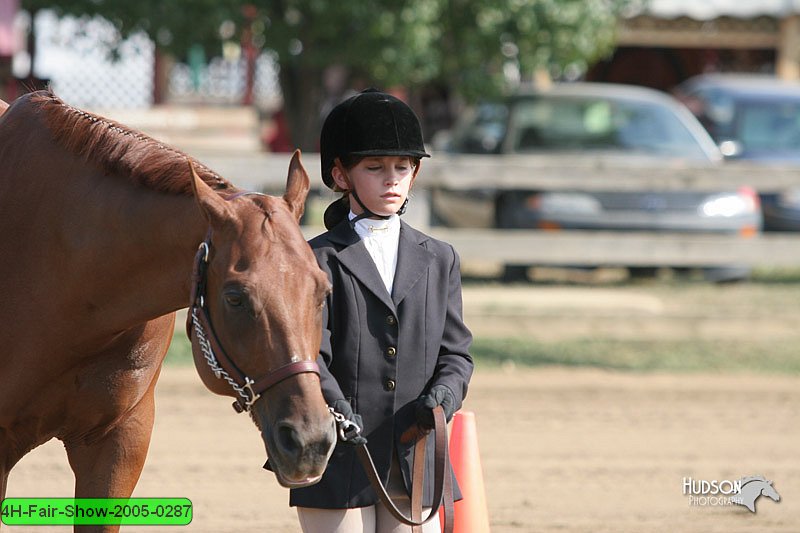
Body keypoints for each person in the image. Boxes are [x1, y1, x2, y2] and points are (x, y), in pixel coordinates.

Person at [290, 88, 474, 533]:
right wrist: (337, 410)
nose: (391, 179)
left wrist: (445, 397)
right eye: (374, 168)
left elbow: (456, 354)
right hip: (338, 452)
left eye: (402, 167)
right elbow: (311, 355)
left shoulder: (440, 258)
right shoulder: (314, 260)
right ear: (340, 174)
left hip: (415, 451)